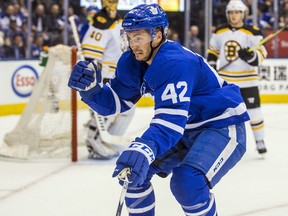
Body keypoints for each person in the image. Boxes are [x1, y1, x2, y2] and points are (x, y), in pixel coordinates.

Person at [68, 3, 249, 215]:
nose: (133, 44)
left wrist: (144, 147)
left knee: (187, 183)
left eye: (139, 37)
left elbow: (170, 122)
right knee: (134, 174)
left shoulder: (175, 62)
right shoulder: (132, 61)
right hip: (186, 128)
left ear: (158, 35)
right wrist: (91, 91)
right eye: (129, 37)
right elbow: (114, 103)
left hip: (221, 125)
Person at [207, 0, 268, 155]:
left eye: (237, 12)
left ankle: (260, 140)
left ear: (243, 14)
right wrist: (213, 66)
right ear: (227, 14)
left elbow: (261, 55)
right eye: (231, 12)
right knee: (223, 113)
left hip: (248, 81)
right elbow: (213, 51)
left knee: (254, 112)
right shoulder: (220, 31)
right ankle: (222, 143)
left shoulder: (253, 31)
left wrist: (250, 56)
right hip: (227, 80)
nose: (233, 16)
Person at [79, 0, 135, 159]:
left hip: (119, 74)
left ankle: (109, 141)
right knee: (105, 112)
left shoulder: (118, 21)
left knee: (128, 110)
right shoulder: (100, 23)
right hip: (106, 75)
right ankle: (94, 142)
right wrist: (93, 79)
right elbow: (90, 53)